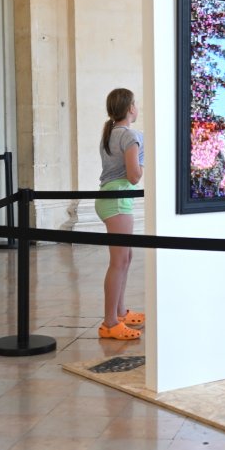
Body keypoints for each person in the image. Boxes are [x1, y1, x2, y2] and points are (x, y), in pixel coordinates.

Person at [95, 88, 145, 341]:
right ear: (129, 108)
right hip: (117, 200)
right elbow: (134, 175)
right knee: (118, 261)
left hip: (111, 198)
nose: (137, 107)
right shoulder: (129, 135)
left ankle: (120, 312)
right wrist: (145, 159)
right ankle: (110, 322)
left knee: (125, 257)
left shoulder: (111, 133)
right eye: (135, 103)